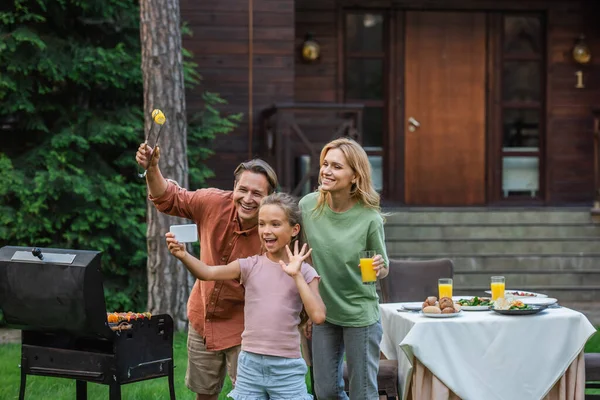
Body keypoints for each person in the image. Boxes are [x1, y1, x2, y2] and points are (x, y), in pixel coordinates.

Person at [135, 142, 278, 400]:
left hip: (248, 326)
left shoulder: (275, 229)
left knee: (251, 395)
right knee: (204, 394)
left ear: (269, 197)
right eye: (242, 189)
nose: (247, 198)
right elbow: (168, 197)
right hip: (204, 317)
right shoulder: (212, 202)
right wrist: (153, 168)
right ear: (233, 188)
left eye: (257, 194)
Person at [166, 192, 326, 400]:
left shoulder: (305, 272)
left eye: (275, 224)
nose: (266, 231)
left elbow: (318, 316)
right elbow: (207, 273)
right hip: (250, 364)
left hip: (286, 368)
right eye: (262, 224)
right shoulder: (250, 265)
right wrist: (183, 255)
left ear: (294, 229)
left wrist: (296, 275)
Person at [299, 137, 389, 400]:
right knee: (325, 391)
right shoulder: (307, 206)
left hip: (360, 315)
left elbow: (382, 269)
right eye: (325, 164)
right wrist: (308, 308)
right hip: (324, 314)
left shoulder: (369, 218)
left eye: (337, 167)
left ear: (354, 176)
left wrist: (379, 266)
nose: (326, 171)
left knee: (362, 393)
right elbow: (302, 259)